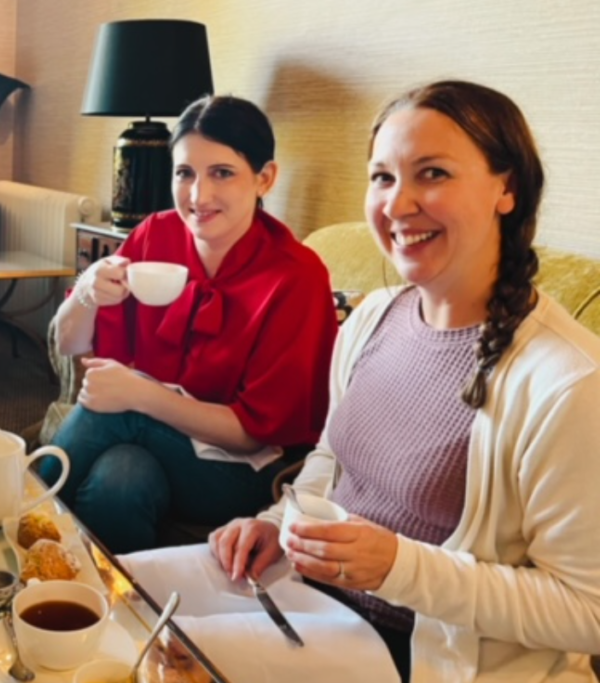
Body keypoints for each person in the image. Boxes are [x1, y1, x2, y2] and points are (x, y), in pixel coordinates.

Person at [124, 80, 600, 683]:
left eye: (432, 174)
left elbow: (589, 611)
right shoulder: (373, 318)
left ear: (506, 186)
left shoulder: (568, 381)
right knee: (116, 594)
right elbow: (329, 459)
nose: (398, 206)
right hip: (308, 592)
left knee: (157, 659)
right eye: (382, 177)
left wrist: (400, 567)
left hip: (421, 651)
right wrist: (274, 524)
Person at [41, 95, 339, 554]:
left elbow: (253, 434)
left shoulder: (296, 275)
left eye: (222, 173)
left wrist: (141, 395)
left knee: (124, 413)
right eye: (185, 173)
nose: (198, 196)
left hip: (242, 471)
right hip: (155, 450)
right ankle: (112, 608)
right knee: (120, 478)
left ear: (264, 179)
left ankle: (15, 514)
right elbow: (66, 342)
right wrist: (86, 292)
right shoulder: (153, 235)